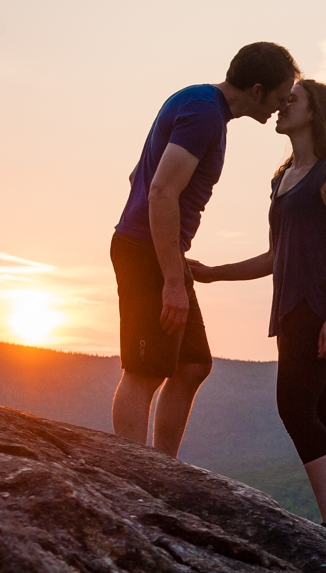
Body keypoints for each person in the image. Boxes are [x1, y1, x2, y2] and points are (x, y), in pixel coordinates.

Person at [109, 42, 299, 458]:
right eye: (282, 93)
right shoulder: (205, 114)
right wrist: (172, 280)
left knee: (193, 363)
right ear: (256, 89)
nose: (282, 104)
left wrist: (173, 260)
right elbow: (161, 190)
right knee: (144, 370)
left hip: (156, 250)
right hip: (146, 252)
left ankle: (162, 467)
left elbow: (139, 177)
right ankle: (129, 476)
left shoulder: (197, 101)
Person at [190, 81, 326, 540]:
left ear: (316, 114)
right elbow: (274, 256)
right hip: (288, 308)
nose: (283, 106)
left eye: (294, 100)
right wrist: (212, 272)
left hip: (315, 307)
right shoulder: (282, 177)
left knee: (295, 408)